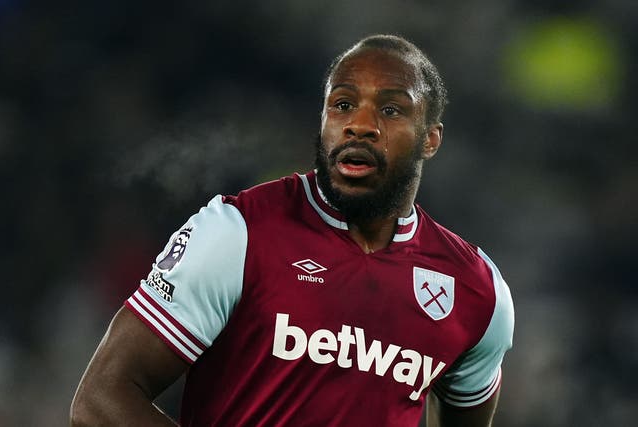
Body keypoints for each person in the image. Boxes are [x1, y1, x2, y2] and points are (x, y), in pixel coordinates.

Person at [70, 34, 514, 427]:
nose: (359, 124)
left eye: (391, 109)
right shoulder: (238, 234)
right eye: (342, 104)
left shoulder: (477, 292)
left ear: (430, 139)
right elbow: (101, 401)